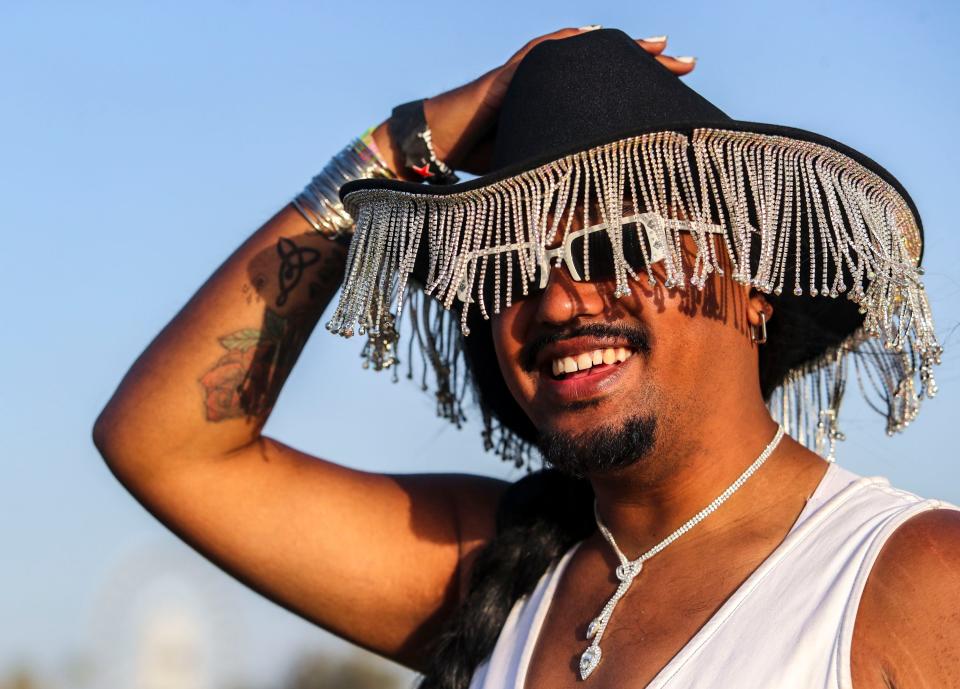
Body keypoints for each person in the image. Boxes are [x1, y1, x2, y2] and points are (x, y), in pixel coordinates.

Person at [92, 26, 960, 689]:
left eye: (618, 243)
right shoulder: (497, 574)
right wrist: (400, 149)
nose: (556, 300)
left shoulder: (912, 578)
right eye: (507, 264)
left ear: (756, 276)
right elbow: (165, 444)